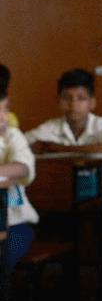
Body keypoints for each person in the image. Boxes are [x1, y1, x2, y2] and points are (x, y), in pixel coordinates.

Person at [25, 68, 102, 227]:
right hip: (68, 191)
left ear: (92, 103)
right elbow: (23, 144)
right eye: (67, 98)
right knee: (44, 212)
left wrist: (59, 149)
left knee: (92, 218)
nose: (74, 104)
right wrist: (32, 147)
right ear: (59, 101)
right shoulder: (51, 127)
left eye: (81, 98)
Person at [0, 65, 38, 270]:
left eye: (5, 108)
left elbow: (23, 168)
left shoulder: (12, 137)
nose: (3, 116)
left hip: (16, 225)